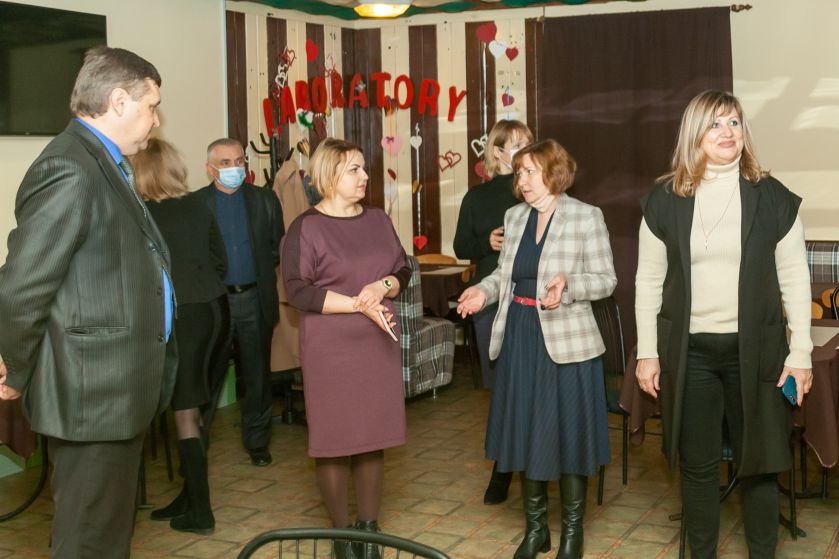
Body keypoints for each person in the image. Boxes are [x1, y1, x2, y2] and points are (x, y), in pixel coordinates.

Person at [0, 46, 176, 558]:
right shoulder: (70, 166)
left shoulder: (103, 162)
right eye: (151, 106)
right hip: (93, 392)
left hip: (114, 387)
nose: (156, 119)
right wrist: (14, 370)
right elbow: (23, 285)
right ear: (118, 101)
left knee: (107, 535)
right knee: (88, 540)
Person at [634, 90, 814, 558]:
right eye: (715, 124)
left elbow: (796, 279)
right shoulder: (664, 202)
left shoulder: (772, 197)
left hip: (757, 354)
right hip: (690, 354)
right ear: (694, 134)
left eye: (734, 122)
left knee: (760, 465)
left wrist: (800, 354)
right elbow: (648, 282)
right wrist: (647, 352)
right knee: (698, 467)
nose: (727, 132)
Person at [458, 139, 616, 559]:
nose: (522, 180)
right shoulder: (514, 218)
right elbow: (504, 276)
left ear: (554, 172)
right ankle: (536, 531)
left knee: (568, 437)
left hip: (567, 343)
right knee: (526, 432)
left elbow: (606, 279)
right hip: (521, 336)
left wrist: (569, 285)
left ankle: (572, 533)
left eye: (529, 171)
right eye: (519, 172)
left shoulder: (585, 216)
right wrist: (482, 291)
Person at [282, 138, 410, 559]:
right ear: (329, 175)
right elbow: (297, 290)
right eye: (354, 169)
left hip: (377, 343)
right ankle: (341, 535)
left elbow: (402, 269)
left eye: (363, 168)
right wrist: (358, 303)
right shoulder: (306, 227)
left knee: (373, 436)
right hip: (331, 349)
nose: (365, 176)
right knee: (334, 441)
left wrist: (381, 286)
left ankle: (369, 533)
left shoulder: (378, 219)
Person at [131, 138, 230, 534]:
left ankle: (201, 513)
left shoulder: (141, 215)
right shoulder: (196, 205)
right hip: (217, 311)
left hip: (183, 317)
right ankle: (188, 497)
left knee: (185, 414)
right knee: (200, 410)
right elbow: (220, 260)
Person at [453, 119, 534, 505]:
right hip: (488, 299)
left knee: (530, 385)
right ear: (497, 151)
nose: (522, 149)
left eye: (527, 142)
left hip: (531, 298)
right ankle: (503, 468)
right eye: (515, 144)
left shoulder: (535, 189)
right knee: (501, 389)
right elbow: (460, 247)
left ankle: (529, 465)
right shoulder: (477, 197)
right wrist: (486, 241)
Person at [194, 138, 284, 467]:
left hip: (254, 299)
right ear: (210, 169)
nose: (234, 168)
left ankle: (257, 443)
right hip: (215, 304)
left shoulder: (265, 200)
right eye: (226, 163)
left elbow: (276, 246)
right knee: (208, 376)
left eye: (239, 161)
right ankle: (196, 446)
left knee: (257, 376)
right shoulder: (196, 204)